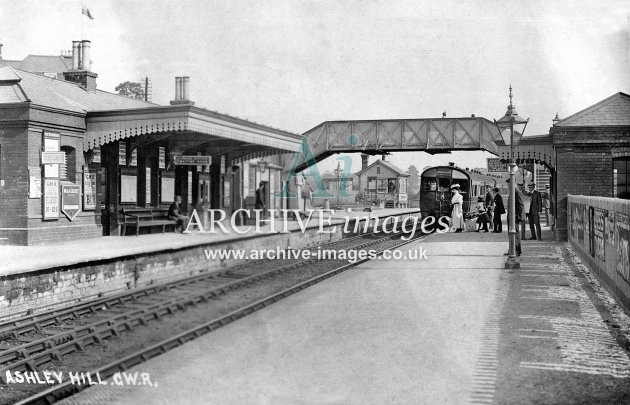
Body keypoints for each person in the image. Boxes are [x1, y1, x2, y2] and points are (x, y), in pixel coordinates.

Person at [506, 179, 523, 256]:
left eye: (508, 185)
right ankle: (512, 250)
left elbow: (520, 205)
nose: (508, 186)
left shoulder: (516, 192)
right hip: (511, 216)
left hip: (514, 217)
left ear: (513, 183)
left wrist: (515, 216)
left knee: (515, 234)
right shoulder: (513, 191)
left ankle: (516, 251)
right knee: (511, 234)